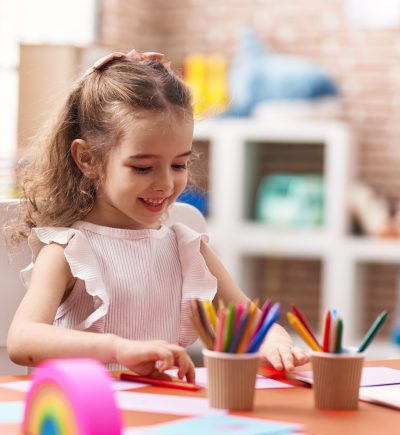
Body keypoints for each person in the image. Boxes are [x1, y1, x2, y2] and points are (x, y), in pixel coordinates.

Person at [7, 49, 308, 382]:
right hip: (88, 417)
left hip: (167, 413)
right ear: (87, 158)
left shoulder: (186, 247)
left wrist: (273, 339)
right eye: (143, 167)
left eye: (179, 164)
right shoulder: (68, 250)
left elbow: (250, 321)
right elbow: (22, 341)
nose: (165, 183)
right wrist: (116, 349)